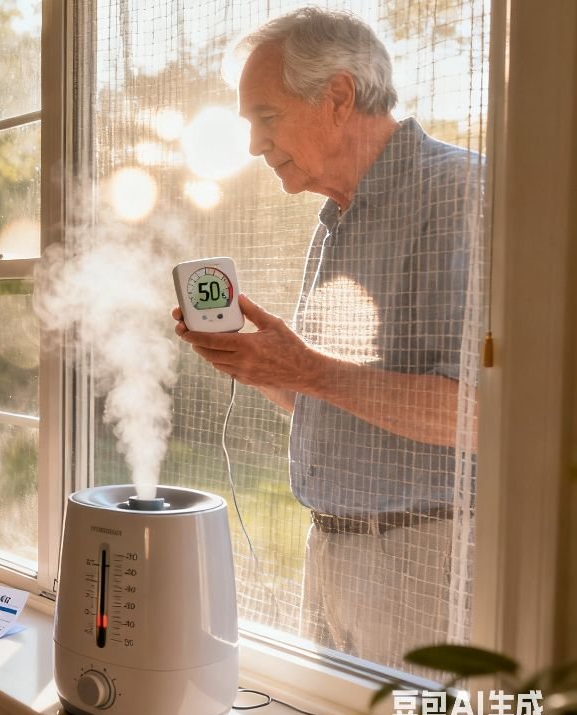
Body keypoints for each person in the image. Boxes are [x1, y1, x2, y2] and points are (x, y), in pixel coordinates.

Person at [173, 8, 481, 669]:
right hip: (335, 553)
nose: (254, 144)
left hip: (423, 559)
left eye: (266, 116)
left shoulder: (457, 192)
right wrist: (263, 367)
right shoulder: (335, 220)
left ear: (339, 97)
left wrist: (307, 369)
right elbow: (334, 396)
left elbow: (477, 414)